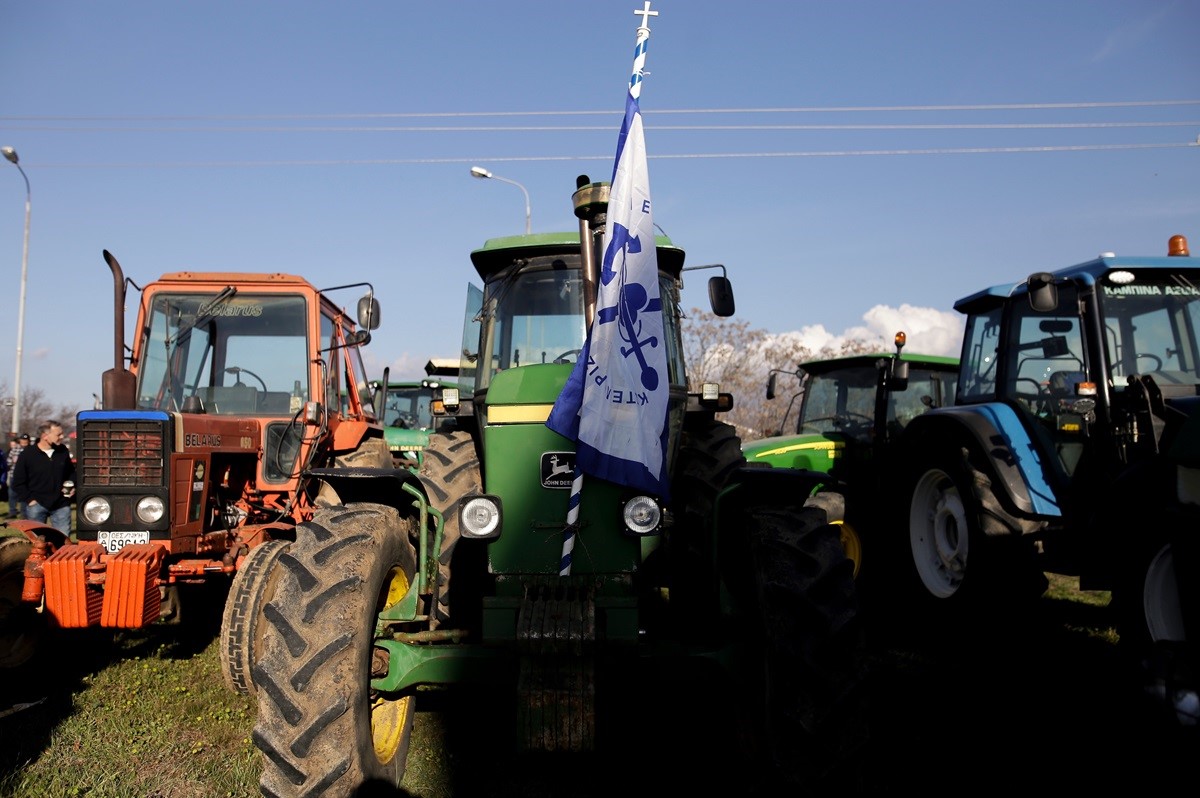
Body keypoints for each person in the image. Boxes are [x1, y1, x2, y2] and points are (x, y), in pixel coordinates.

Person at [11, 421, 75, 534]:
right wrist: (30, 500)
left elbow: (71, 472)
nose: (62, 437)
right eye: (58, 434)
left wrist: (72, 484)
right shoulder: (27, 454)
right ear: (45, 436)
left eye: (62, 434)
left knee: (63, 542)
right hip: (36, 505)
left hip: (61, 504)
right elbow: (18, 482)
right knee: (38, 544)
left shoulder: (63, 451)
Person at [6, 433, 28, 519]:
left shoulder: (31, 449)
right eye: (23, 440)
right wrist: (13, 461)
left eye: (26, 440)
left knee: (23, 494)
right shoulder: (15, 449)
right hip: (14, 475)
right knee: (12, 494)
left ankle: (24, 513)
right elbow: (8, 462)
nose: (24, 442)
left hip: (26, 476)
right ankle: (12, 511)